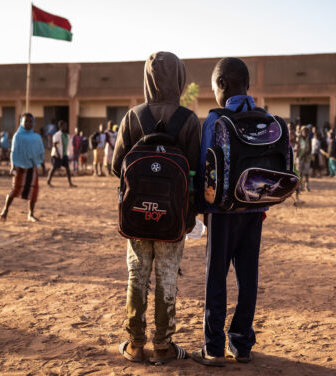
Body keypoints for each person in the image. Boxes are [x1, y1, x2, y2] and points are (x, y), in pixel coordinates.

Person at [112, 51, 200, 365]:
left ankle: (135, 344)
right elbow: (196, 174)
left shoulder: (133, 116)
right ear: (179, 77)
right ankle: (163, 346)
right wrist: (193, 215)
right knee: (166, 276)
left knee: (137, 276)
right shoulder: (188, 119)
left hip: (136, 215)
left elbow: (115, 166)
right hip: (174, 217)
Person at [193, 57, 266, 367]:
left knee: (216, 279)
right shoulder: (264, 117)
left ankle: (213, 346)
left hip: (222, 213)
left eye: (213, 89)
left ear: (221, 85)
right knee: (248, 278)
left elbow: (204, 166)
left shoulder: (215, 119)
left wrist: (201, 209)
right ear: (246, 86)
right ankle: (242, 343)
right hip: (254, 209)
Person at [0, 113, 46, 222]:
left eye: (30, 121)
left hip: (32, 168)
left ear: (33, 123)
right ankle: (5, 210)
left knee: (34, 191)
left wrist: (43, 167)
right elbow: (13, 153)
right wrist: (12, 166)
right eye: (26, 121)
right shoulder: (17, 136)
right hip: (20, 167)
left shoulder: (36, 137)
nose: (28, 123)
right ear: (21, 123)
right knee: (15, 190)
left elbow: (40, 153)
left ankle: (31, 214)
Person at [47, 120, 75, 187]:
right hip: (57, 154)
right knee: (54, 168)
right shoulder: (57, 135)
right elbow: (54, 144)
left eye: (66, 126)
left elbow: (68, 146)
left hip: (64, 154)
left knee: (67, 169)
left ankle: (70, 183)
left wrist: (70, 154)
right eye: (64, 126)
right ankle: (48, 181)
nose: (66, 127)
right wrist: (58, 153)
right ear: (61, 126)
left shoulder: (67, 135)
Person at [297, 126, 312, 191]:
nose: (305, 133)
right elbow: (297, 147)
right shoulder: (299, 138)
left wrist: (305, 154)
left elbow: (310, 149)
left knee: (307, 173)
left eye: (307, 131)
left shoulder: (309, 139)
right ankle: (300, 186)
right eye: (304, 131)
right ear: (301, 132)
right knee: (300, 173)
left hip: (307, 158)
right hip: (300, 158)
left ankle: (307, 186)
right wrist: (299, 154)